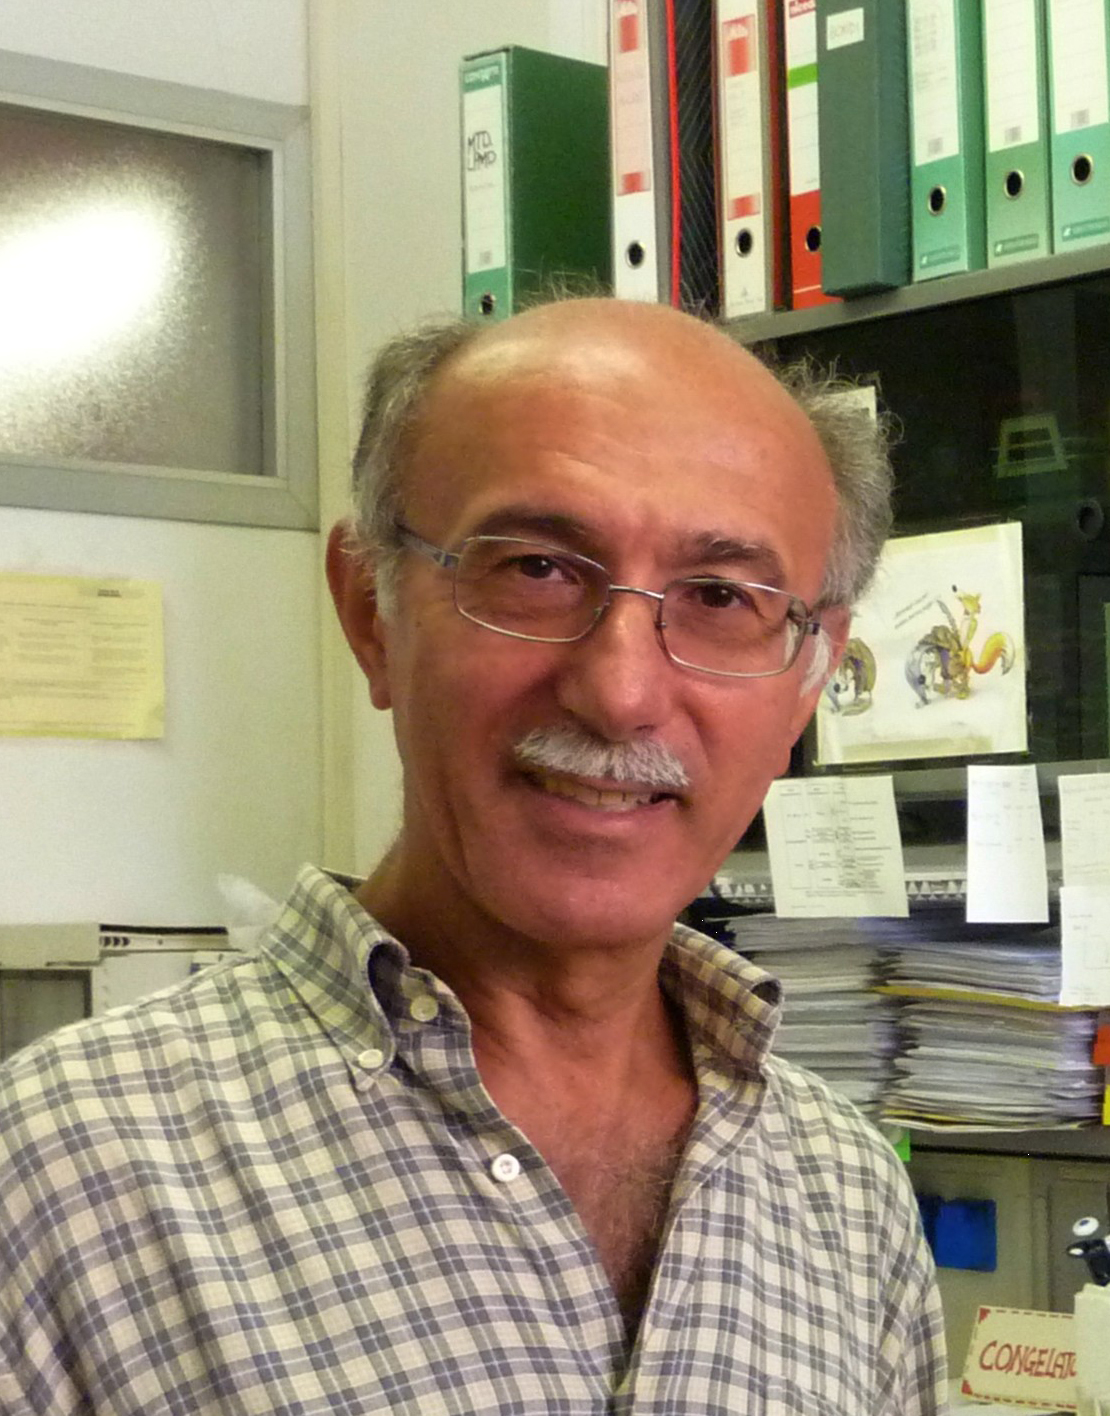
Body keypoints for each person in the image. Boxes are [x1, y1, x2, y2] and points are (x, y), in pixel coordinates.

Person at [0, 298, 946, 1415]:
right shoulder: (60, 1173)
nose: (620, 692)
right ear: (370, 610)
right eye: (537, 569)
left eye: (718, 598)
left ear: (811, 674)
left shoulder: (846, 1194)